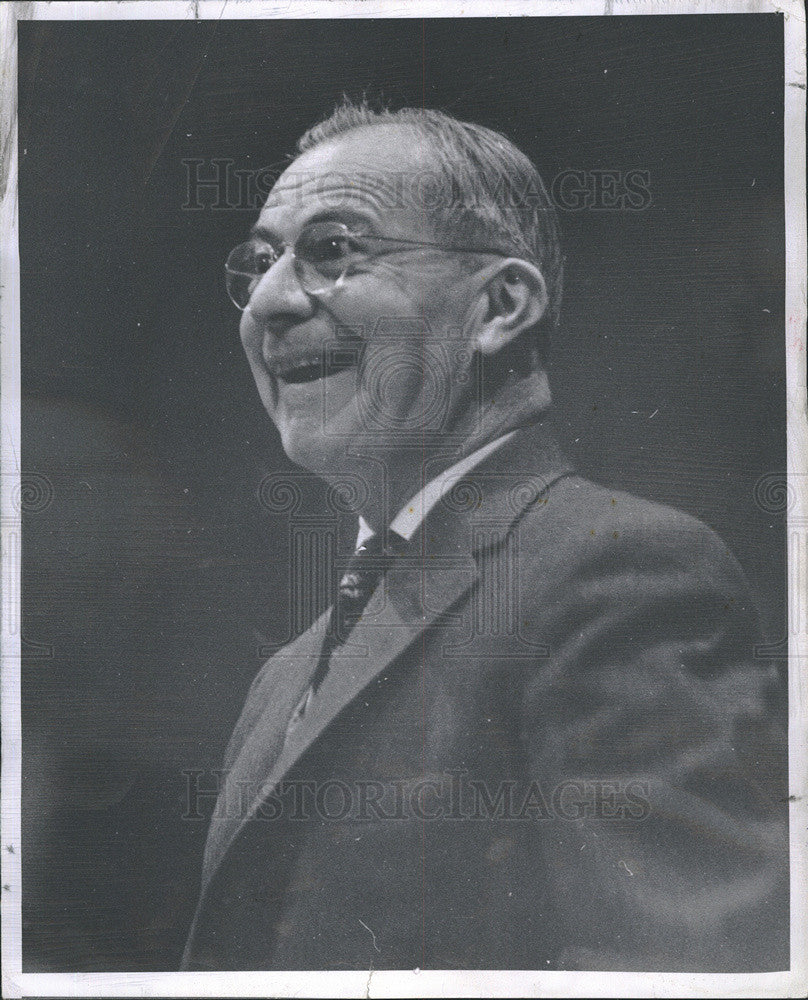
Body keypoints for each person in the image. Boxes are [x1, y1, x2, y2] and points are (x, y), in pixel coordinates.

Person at [181, 100, 788, 972]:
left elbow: (687, 976)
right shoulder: (279, 681)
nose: (270, 301)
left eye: (334, 249)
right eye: (259, 261)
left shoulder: (620, 574)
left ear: (501, 306)